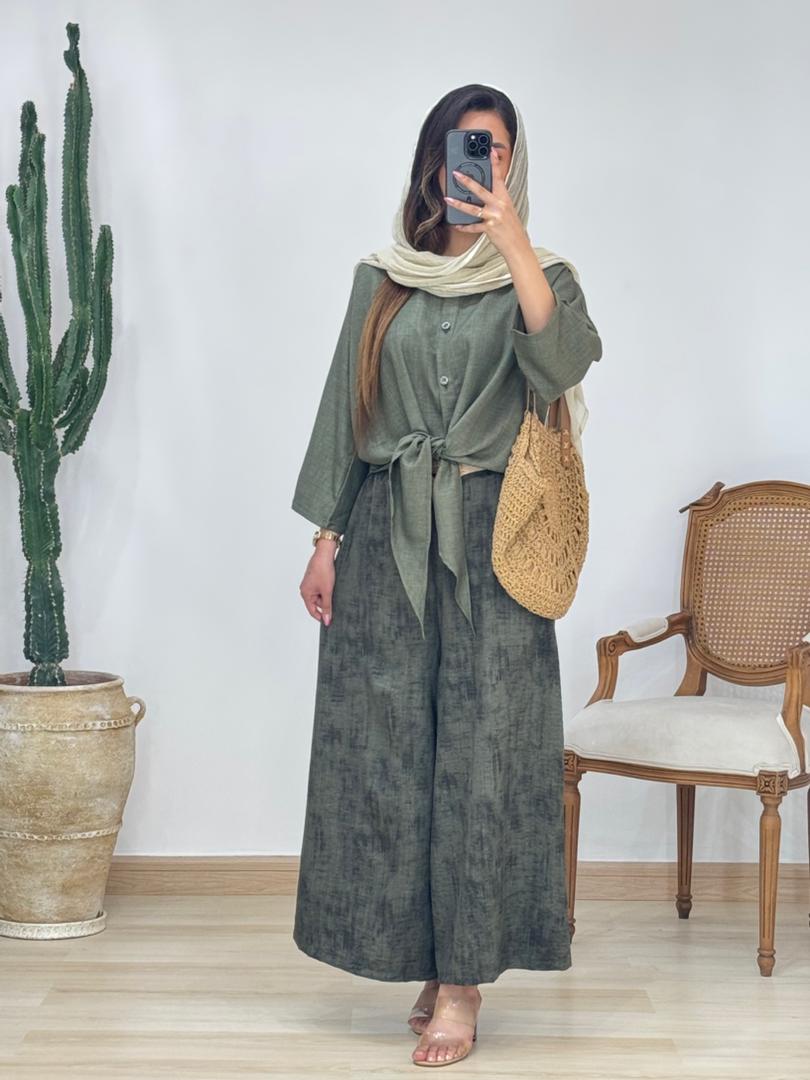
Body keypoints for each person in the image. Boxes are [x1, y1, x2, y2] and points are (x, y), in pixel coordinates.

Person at [290, 83, 603, 1068]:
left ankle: (463, 984)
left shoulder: (541, 273)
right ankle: (423, 960)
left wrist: (512, 241)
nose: (481, 164)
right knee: (388, 749)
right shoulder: (382, 279)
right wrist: (326, 537)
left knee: (482, 751)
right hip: (387, 530)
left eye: (497, 150)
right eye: (468, 147)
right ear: (435, 161)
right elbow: (348, 405)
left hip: (491, 536)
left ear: (513, 163)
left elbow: (563, 364)